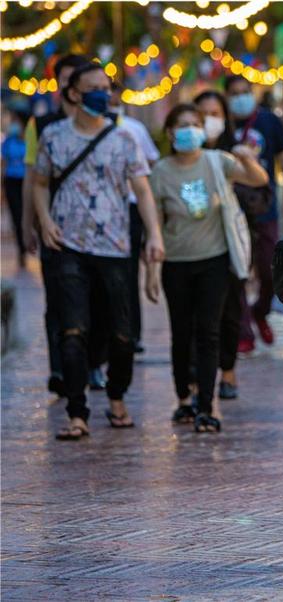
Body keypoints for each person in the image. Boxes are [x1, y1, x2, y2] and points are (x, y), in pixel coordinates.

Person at [32, 62, 164, 440]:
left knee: (121, 334)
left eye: (106, 88)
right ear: (72, 94)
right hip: (67, 245)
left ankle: (116, 397)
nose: (102, 95)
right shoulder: (53, 136)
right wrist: (43, 220)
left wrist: (154, 234)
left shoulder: (124, 138)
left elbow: (142, 191)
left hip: (116, 246)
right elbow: (40, 183)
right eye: (93, 88)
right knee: (72, 330)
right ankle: (77, 413)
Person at [145, 104, 267, 432]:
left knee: (209, 332)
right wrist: (151, 270)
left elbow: (259, 179)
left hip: (214, 259)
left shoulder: (217, 161)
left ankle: (206, 406)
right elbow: (154, 222)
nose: (190, 130)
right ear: (170, 133)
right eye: (182, 125)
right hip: (176, 262)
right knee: (181, 332)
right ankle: (184, 397)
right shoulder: (160, 172)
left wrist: (245, 157)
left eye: (195, 124)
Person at [21, 53, 89, 397]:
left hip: (98, 236)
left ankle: (90, 366)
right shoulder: (42, 126)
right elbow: (33, 179)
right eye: (65, 80)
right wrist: (28, 223)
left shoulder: (107, 125)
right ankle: (60, 369)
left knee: (93, 302)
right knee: (58, 302)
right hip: (55, 231)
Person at [225, 75, 283, 351]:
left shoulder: (269, 121)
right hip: (230, 211)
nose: (241, 97)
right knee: (238, 273)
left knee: (270, 270)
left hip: (264, 207)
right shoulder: (221, 123)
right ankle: (244, 329)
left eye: (246, 92)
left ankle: (260, 311)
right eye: (235, 93)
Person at [195, 89, 243, 400]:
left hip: (230, 242)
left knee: (229, 311)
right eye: (203, 116)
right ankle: (197, 376)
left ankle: (227, 370)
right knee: (197, 314)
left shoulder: (235, 153)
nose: (210, 122)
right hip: (192, 245)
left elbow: (258, 182)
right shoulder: (182, 156)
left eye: (216, 114)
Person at [109, 82, 161, 354]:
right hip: (100, 213)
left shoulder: (133, 129)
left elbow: (151, 163)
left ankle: (132, 333)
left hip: (129, 208)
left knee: (128, 273)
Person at [1, 108, 28, 268]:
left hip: (26, 183)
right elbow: (3, 163)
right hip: (11, 182)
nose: (13, 124)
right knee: (16, 216)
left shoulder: (32, 140)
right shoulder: (8, 141)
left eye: (15, 120)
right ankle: (22, 249)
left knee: (27, 215)